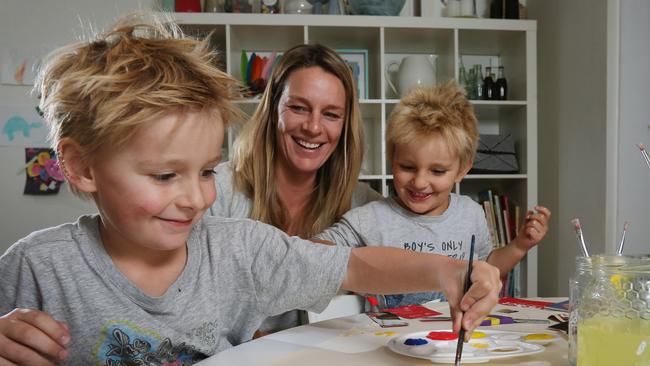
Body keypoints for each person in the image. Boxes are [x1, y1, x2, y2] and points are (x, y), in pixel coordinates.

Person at [0, 15, 501, 365]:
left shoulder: (236, 245)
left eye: (204, 171)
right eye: (164, 176)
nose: (197, 198)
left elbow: (354, 265)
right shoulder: (35, 268)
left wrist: (449, 269)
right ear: (81, 167)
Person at [316, 81, 550, 308]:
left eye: (437, 171)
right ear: (392, 159)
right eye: (407, 167)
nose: (419, 182)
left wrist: (520, 245)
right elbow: (312, 253)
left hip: (456, 336)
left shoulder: (471, 213)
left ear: (462, 170)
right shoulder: (368, 219)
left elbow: (486, 266)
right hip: (387, 339)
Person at [209, 43, 381, 332]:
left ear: (345, 124)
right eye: (299, 108)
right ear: (273, 108)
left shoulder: (364, 203)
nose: (313, 128)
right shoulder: (217, 190)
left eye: (331, 114)